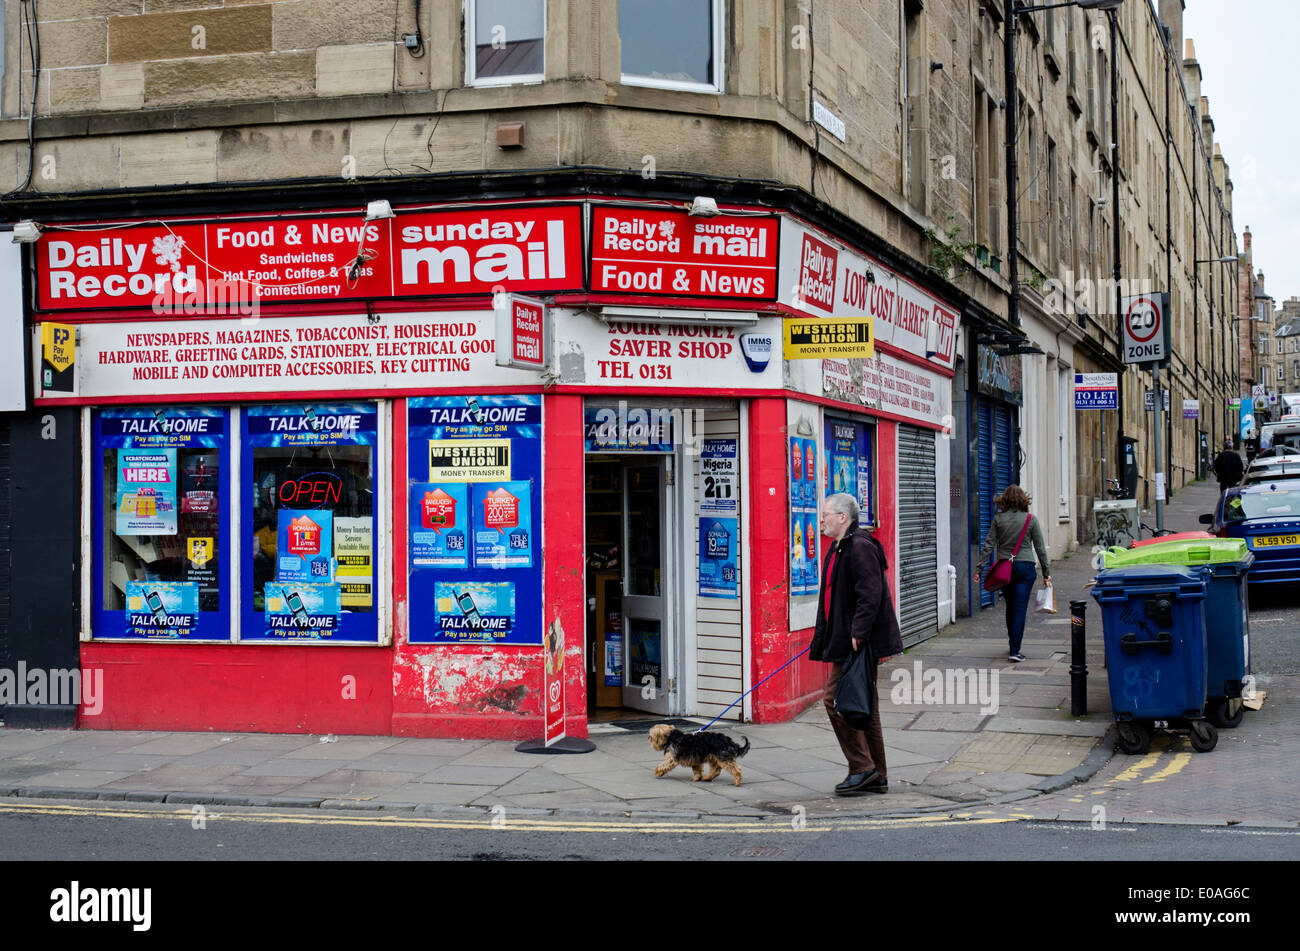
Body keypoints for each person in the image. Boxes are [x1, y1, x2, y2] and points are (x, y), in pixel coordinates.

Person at [810, 493, 903, 797]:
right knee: (866, 708)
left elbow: (871, 593)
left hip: (859, 642)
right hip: (850, 639)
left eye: (825, 514)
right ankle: (879, 775)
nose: (821, 520)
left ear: (842, 517)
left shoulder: (860, 547)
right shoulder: (839, 547)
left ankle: (862, 767)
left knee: (834, 700)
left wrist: (858, 632)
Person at [974, 486, 1051, 663]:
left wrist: (979, 568)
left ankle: (1012, 644)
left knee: (1010, 606)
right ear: (1024, 500)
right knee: (1020, 609)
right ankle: (1015, 650)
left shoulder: (998, 519)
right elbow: (1040, 548)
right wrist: (1046, 573)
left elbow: (988, 545)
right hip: (1025, 568)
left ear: (1005, 501)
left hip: (1005, 568)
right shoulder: (1031, 520)